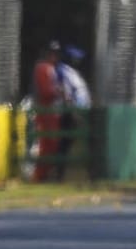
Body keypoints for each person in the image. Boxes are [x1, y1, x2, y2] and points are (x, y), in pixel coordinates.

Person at [54, 46, 92, 180]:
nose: (79, 61)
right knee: (65, 144)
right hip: (70, 113)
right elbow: (66, 93)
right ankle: (60, 175)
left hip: (79, 112)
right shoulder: (63, 71)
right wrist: (73, 112)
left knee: (71, 143)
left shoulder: (73, 72)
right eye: (76, 58)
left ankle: (79, 174)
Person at [30, 42, 62, 183]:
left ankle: (46, 174)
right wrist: (58, 92)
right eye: (51, 53)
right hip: (44, 111)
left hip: (52, 112)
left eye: (55, 53)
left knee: (52, 143)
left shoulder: (53, 69)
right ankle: (39, 176)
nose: (54, 56)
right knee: (44, 143)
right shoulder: (42, 68)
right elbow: (45, 91)